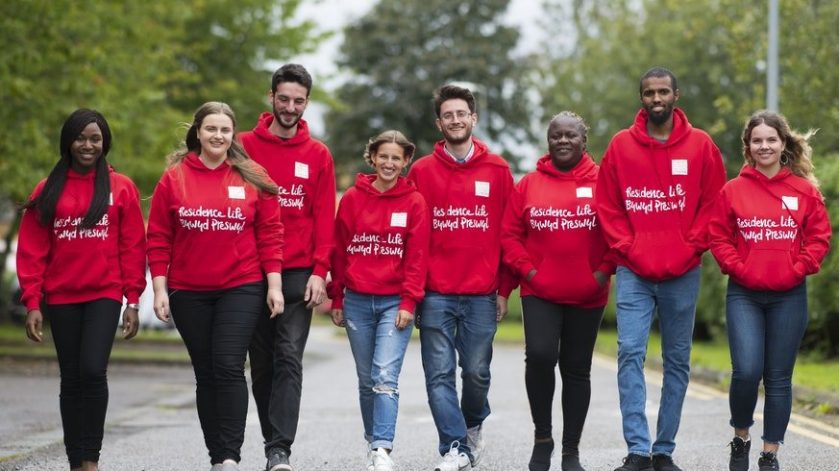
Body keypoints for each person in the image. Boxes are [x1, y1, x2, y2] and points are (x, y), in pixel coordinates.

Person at [594, 67, 726, 471]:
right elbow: (608, 204)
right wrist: (627, 247)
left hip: (683, 271)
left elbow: (714, 203)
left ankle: (664, 449)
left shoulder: (701, 145)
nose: (656, 98)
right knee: (629, 352)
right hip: (634, 271)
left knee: (677, 361)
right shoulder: (620, 146)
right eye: (649, 92)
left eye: (663, 91)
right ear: (641, 97)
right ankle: (637, 449)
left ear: (676, 95)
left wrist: (691, 247)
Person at [147, 102, 284, 471]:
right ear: (198, 132)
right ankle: (216, 455)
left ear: (232, 134)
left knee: (227, 365)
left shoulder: (251, 175)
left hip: (241, 285)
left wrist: (274, 285)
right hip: (188, 290)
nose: (218, 136)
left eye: (225, 130)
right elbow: (158, 237)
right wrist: (159, 289)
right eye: (211, 129)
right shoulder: (174, 177)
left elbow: (270, 234)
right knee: (206, 373)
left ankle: (230, 456)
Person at [16, 108, 146, 471]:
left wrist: (133, 299)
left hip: (104, 294)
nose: (87, 145)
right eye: (80, 138)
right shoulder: (48, 189)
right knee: (71, 378)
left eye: (95, 139)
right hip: (61, 297)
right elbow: (32, 250)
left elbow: (133, 246)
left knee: (92, 370)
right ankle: (77, 460)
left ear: (105, 143)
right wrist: (32, 302)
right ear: (68, 141)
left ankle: (91, 457)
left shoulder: (122, 188)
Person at [708, 111, 831, 471]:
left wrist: (798, 268)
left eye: (771, 140)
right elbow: (718, 237)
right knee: (746, 371)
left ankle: (769, 454)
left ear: (782, 144)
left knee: (779, 378)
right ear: (748, 147)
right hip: (744, 294)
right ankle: (741, 437)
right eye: (757, 140)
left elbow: (819, 239)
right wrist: (740, 267)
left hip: (789, 296)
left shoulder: (803, 190)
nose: (764, 146)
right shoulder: (733, 190)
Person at [408, 84, 516, 471]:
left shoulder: (499, 170)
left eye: (461, 114)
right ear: (439, 123)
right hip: (435, 293)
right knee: (437, 375)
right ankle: (454, 446)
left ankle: (472, 425)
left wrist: (505, 289)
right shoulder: (420, 172)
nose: (455, 120)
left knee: (476, 372)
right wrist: (414, 290)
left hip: (481, 294)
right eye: (447, 115)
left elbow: (510, 234)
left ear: (473, 118)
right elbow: (412, 237)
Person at [501, 112, 615, 471]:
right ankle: (542, 438)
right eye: (556, 136)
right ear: (547, 141)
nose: (563, 141)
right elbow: (509, 236)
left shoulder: (603, 182)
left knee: (577, 369)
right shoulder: (529, 184)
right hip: (540, 290)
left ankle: (571, 450)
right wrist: (529, 271)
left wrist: (600, 274)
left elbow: (619, 233)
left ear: (584, 140)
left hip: (588, 292)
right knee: (539, 355)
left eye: (570, 136)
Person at [238, 63, 336, 471]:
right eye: (284, 99)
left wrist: (320, 270)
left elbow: (325, 217)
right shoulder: (242, 146)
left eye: (298, 101)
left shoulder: (318, 155)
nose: (290, 107)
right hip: (249, 270)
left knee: (289, 356)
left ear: (306, 103)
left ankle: (280, 449)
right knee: (261, 363)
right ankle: (271, 439)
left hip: (298, 272)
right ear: (271, 97)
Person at [328, 130, 430, 471]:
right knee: (365, 378)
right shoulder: (353, 199)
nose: (389, 163)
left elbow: (417, 258)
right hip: (356, 300)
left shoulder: (414, 202)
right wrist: (337, 298)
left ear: (405, 162)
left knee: (384, 375)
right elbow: (339, 251)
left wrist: (408, 302)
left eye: (396, 158)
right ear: (372, 158)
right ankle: (374, 443)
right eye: (383, 156)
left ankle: (383, 448)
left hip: (393, 304)